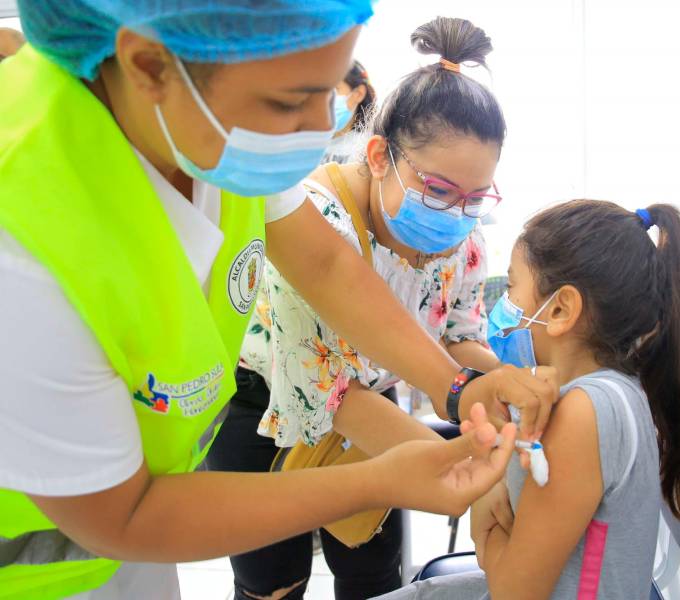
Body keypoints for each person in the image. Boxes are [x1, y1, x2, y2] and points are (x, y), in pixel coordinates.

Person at [0, 3, 556, 599]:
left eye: (333, 91)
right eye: (292, 101)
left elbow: (325, 264)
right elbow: (126, 517)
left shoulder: (203, 125)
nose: (320, 128)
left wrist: (457, 387)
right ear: (149, 66)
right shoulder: (23, 247)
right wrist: (379, 480)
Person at [207, 17, 551, 600]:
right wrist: (466, 460)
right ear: (379, 155)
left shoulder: (461, 235)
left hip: (374, 396)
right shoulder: (316, 222)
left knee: (371, 571)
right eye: (437, 190)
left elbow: (455, 336)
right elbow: (329, 394)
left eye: (475, 197)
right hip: (268, 406)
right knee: (273, 582)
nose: (454, 213)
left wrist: (507, 383)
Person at [375, 200, 680, 600]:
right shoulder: (616, 390)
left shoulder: (583, 413)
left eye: (512, 287)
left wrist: (484, 528)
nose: (503, 306)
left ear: (560, 309)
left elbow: (515, 591)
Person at [323, 59, 376, 164]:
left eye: (333, 90)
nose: (322, 99)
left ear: (358, 94)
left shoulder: (368, 150)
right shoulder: (306, 144)